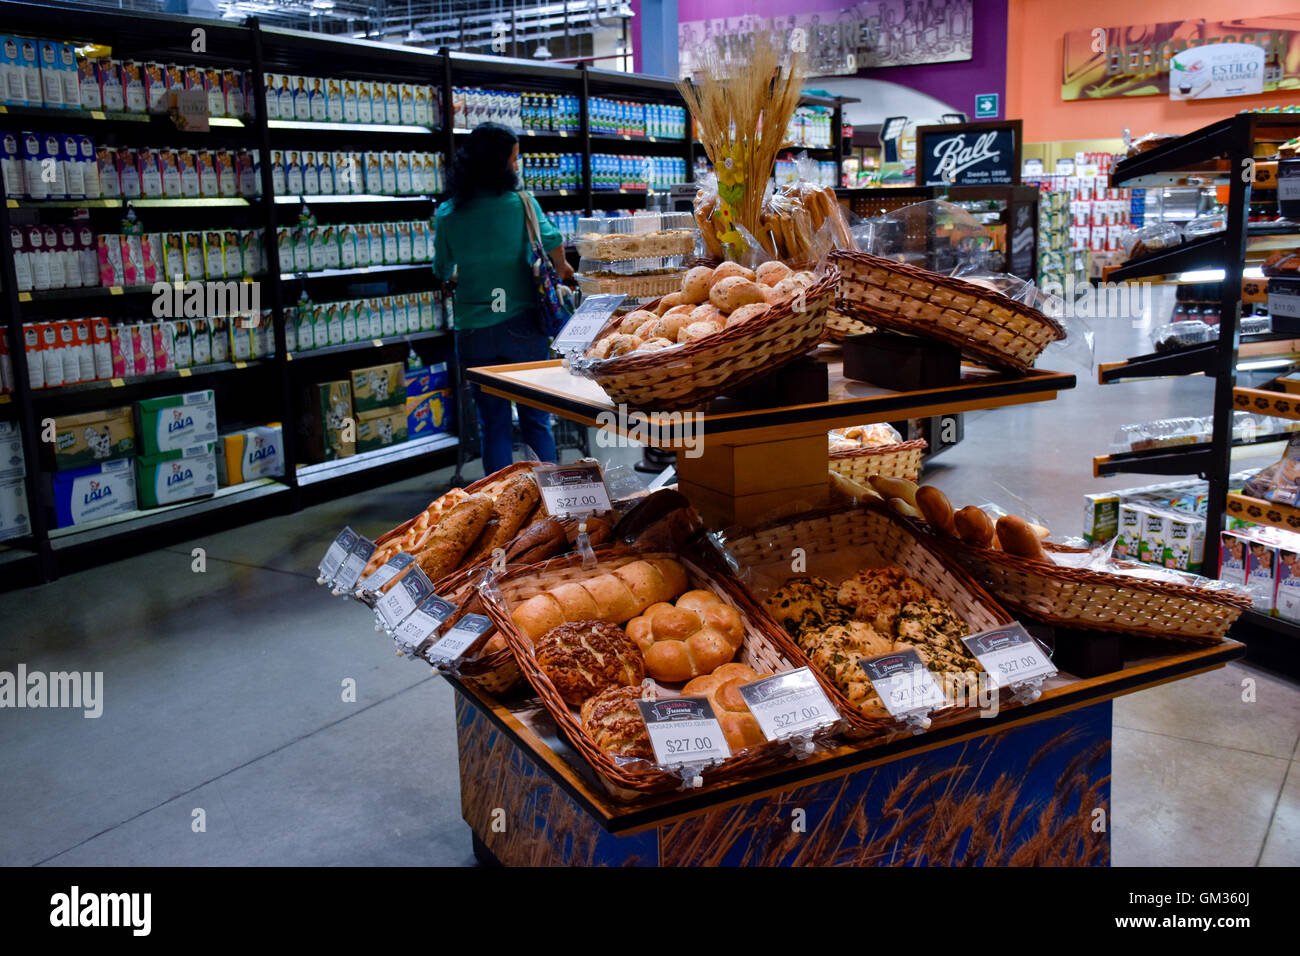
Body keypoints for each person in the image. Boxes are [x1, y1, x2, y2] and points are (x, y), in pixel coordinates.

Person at [434, 122, 572, 476]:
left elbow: (441, 268)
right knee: (536, 419)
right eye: (514, 159)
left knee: (493, 424)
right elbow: (554, 242)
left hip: (474, 332)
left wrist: (463, 275)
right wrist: (563, 269)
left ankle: (498, 500)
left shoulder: (448, 213)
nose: (516, 166)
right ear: (500, 163)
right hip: (523, 327)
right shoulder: (522, 204)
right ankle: (550, 504)